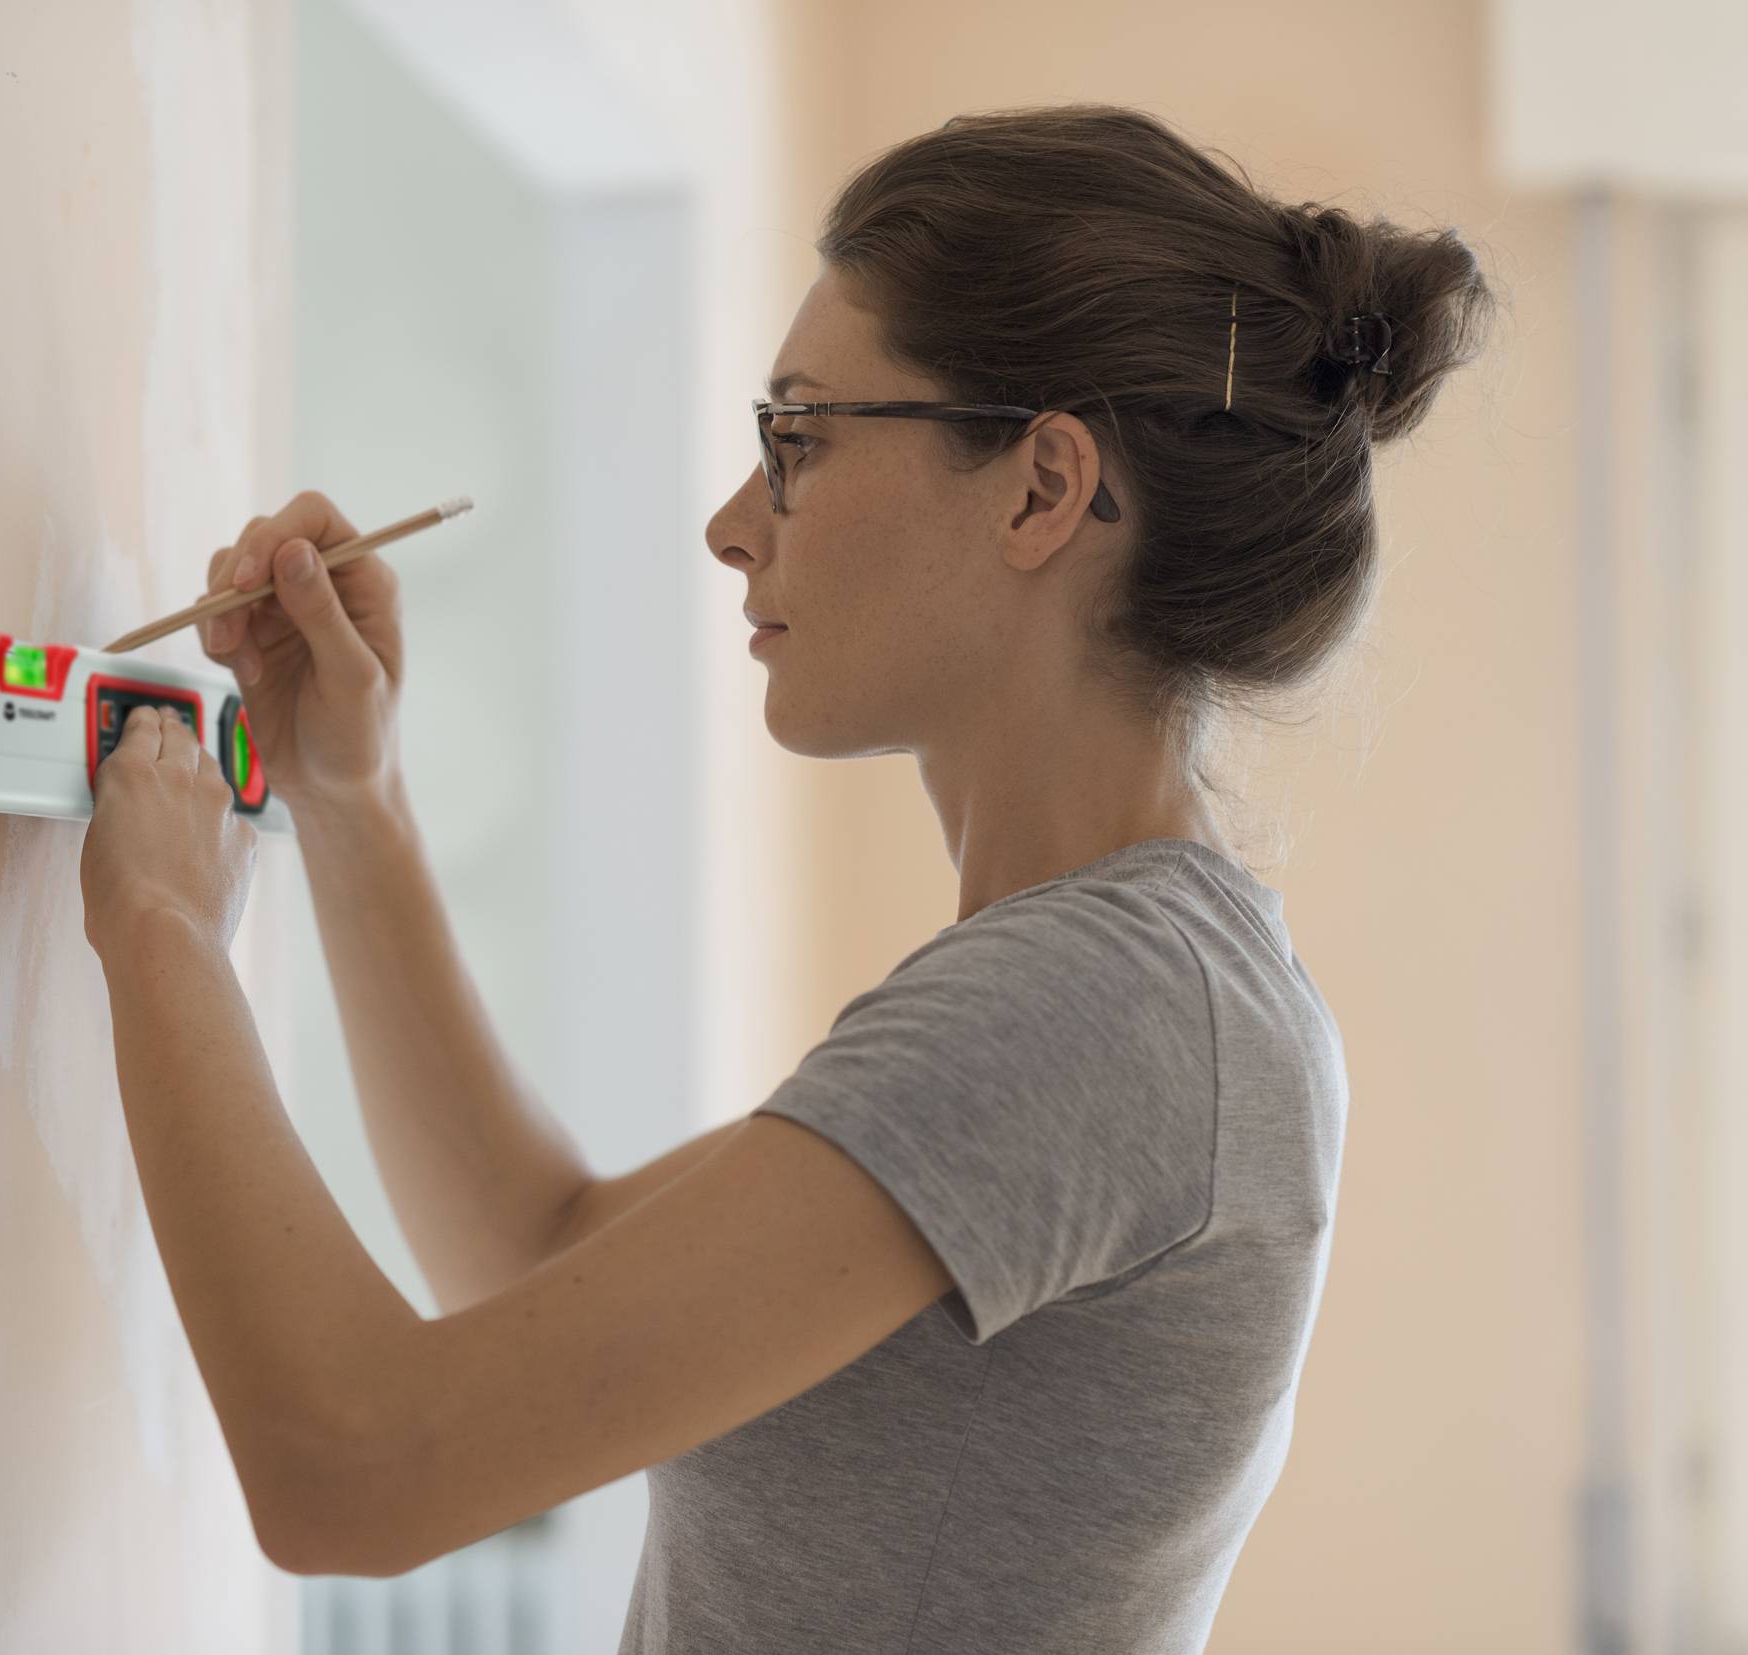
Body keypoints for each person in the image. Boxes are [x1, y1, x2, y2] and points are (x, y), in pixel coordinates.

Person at [76, 102, 1497, 1652]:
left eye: (798, 439)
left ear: (1042, 490)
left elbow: (350, 1467)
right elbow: (537, 1249)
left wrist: (158, 928)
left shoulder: (1107, 1009)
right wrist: (350, 796)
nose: (732, 526)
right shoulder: (1147, 993)